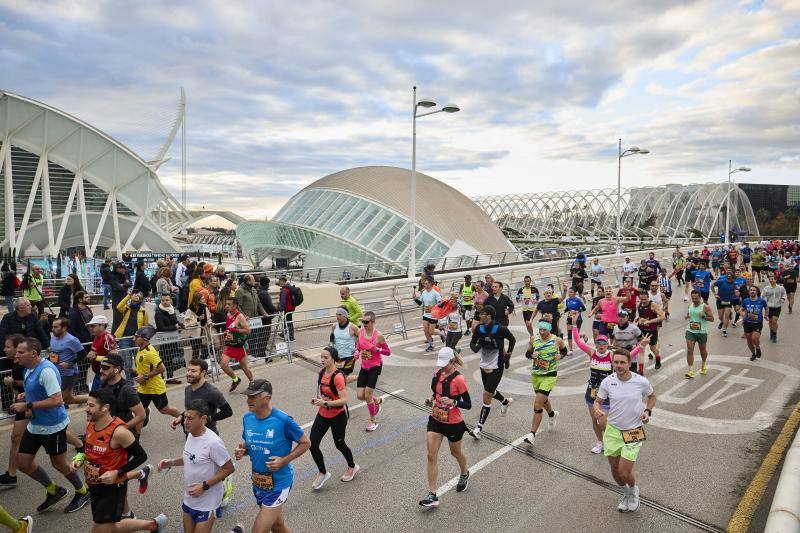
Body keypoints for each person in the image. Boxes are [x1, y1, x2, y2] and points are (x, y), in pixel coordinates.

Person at [9, 337, 91, 513]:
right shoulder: (28, 368)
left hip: (52, 426)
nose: (17, 355)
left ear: (34, 353)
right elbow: (37, 388)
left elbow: (57, 400)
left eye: (21, 352)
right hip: (36, 425)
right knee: (22, 463)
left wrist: (28, 405)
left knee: (59, 464)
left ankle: (83, 491)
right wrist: (26, 395)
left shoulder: (46, 371)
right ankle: (54, 490)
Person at [74, 388, 167, 532]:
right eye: (87, 404)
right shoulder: (91, 424)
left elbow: (141, 456)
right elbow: (90, 449)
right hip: (94, 485)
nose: (86, 409)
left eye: (91, 406)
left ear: (105, 408)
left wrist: (118, 472)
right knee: (111, 527)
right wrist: (80, 459)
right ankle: (153, 525)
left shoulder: (119, 432)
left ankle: (154, 524)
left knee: (99, 530)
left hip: (112, 489)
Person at [235, 379, 310, 533]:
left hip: (279, 483)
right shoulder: (247, 418)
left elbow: (305, 443)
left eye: (253, 396)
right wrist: (244, 450)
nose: (248, 400)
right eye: (247, 396)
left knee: (259, 530)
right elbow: (250, 444)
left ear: (267, 398)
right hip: (259, 482)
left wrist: (284, 460)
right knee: (277, 525)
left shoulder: (283, 420)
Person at [593, 346, 656, 513]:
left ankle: (634, 491)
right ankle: (626, 492)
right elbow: (597, 401)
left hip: (633, 431)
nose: (618, 365)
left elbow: (652, 396)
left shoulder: (640, 381)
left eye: (622, 362)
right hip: (613, 430)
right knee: (615, 471)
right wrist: (597, 409)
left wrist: (647, 411)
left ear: (629, 363)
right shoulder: (608, 381)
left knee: (624, 470)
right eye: (616, 362)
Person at [158, 400, 234, 533]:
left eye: (190, 418)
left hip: (208, 502)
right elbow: (191, 458)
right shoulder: (191, 434)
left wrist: (203, 486)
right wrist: (170, 462)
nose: (185, 421)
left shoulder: (213, 442)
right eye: (185, 417)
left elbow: (229, 468)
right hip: (190, 499)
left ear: (203, 419)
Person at [419, 347, 471, 508]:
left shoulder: (459, 379)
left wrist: (454, 402)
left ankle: (464, 473)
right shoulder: (438, 373)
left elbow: (468, 404)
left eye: (445, 364)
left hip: (453, 423)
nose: (442, 366)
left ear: (452, 361)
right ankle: (432, 494)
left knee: (455, 452)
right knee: (430, 455)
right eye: (440, 364)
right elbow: (437, 393)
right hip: (436, 419)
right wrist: (430, 399)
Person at [571, 321, 633, 454]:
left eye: (603, 343)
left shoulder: (611, 356)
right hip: (592, 393)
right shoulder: (592, 353)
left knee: (604, 422)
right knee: (594, 420)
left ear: (607, 344)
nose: (601, 345)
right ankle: (600, 442)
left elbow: (629, 357)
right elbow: (577, 340)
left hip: (608, 395)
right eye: (598, 343)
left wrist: (641, 346)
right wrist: (574, 324)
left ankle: (618, 440)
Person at [309, 346, 359, 490]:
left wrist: (325, 402)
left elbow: (344, 400)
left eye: (326, 357)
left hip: (337, 416)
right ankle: (323, 472)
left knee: (339, 444)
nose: (322, 360)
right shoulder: (321, 373)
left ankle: (352, 466)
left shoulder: (337, 377)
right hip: (323, 414)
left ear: (334, 359)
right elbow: (324, 394)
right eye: (321, 357)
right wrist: (318, 400)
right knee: (312, 444)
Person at [467, 306, 515, 439]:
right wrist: (476, 347)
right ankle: (505, 402)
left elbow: (512, 340)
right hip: (484, 366)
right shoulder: (479, 328)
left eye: (482, 314)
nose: (479, 315)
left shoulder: (500, 329)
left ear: (488, 316)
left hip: (497, 367)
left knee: (487, 394)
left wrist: (507, 356)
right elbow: (472, 343)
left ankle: (478, 429)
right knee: (491, 391)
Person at [523, 320, 568, 445]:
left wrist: (561, 356)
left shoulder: (557, 340)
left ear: (550, 330)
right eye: (540, 330)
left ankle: (532, 434)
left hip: (549, 375)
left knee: (538, 403)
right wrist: (532, 356)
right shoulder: (533, 339)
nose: (542, 332)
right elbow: (527, 353)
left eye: (545, 330)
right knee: (542, 400)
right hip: (536, 375)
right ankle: (552, 414)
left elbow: (564, 351)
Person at [132, 326, 181, 424]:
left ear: (144, 338)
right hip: (144, 388)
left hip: (155, 388)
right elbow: (146, 366)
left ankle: (183, 418)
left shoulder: (150, 352)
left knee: (164, 410)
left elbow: (162, 368)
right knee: (138, 409)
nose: (134, 339)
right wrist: (135, 372)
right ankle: (136, 436)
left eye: (136, 336)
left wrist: (145, 376)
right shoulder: (140, 349)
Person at [356, 311, 391, 432]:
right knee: (360, 395)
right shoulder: (361, 331)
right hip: (364, 366)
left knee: (367, 395)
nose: (363, 324)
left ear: (373, 322)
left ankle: (373, 421)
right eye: (362, 321)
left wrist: (377, 349)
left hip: (375, 366)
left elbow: (388, 352)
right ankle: (377, 401)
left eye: (366, 322)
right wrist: (356, 352)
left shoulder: (378, 336)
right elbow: (358, 346)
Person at [0, 334, 26, 488]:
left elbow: (32, 381)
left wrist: (13, 382)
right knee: (16, 438)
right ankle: (11, 474)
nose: (5, 349)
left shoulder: (25, 364)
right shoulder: (15, 363)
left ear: (18, 348)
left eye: (8, 346)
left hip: (34, 404)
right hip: (24, 404)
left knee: (56, 432)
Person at [221, 298, 253, 392]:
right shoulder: (228, 314)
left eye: (229, 304)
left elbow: (248, 330)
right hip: (229, 345)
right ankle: (236, 379)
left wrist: (235, 330)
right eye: (226, 304)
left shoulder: (240, 316)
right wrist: (226, 333)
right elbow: (229, 328)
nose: (226, 306)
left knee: (244, 367)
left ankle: (252, 382)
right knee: (223, 365)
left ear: (235, 306)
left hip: (238, 346)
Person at [685, 290, 715, 377]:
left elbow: (712, 319)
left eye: (696, 298)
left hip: (702, 332)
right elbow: (689, 313)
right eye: (693, 298)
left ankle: (703, 365)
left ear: (700, 297)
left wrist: (704, 316)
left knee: (702, 351)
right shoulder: (690, 305)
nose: (694, 300)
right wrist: (687, 316)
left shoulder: (705, 307)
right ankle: (690, 371)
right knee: (690, 350)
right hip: (690, 331)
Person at [68, 290, 93, 394]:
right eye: (86, 297)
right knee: (80, 366)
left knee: (85, 366)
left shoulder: (88, 309)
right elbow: (71, 329)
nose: (89, 298)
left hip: (89, 343)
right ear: (80, 299)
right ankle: (78, 388)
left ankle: (83, 385)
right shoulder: (74, 312)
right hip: (81, 344)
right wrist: (81, 339)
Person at [86, 315, 118, 392]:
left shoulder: (108, 338)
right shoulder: (96, 337)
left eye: (93, 326)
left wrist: (95, 357)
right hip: (99, 374)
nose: (90, 328)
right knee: (94, 398)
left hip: (105, 376)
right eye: (89, 326)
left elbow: (114, 358)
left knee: (100, 399)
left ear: (102, 326)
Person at [635, 292, 665, 373]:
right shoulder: (639, 304)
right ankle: (640, 370)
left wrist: (649, 321)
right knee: (640, 349)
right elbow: (642, 315)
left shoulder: (653, 305)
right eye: (641, 299)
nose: (643, 301)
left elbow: (662, 317)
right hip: (641, 329)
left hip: (651, 330)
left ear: (648, 297)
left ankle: (658, 358)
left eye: (645, 299)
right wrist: (638, 319)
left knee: (652, 348)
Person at [330, 307, 359, 383]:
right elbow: (332, 335)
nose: (337, 316)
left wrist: (357, 349)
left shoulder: (353, 327)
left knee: (341, 380)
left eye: (340, 314)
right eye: (336, 314)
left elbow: (361, 338)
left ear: (345, 316)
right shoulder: (334, 326)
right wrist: (331, 344)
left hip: (349, 357)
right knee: (338, 380)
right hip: (338, 357)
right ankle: (360, 377)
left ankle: (359, 377)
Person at [413, 278, 442, 352]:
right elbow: (420, 303)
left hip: (434, 315)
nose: (424, 285)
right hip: (426, 314)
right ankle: (431, 345)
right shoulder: (424, 292)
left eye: (426, 283)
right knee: (426, 330)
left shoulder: (435, 293)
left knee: (431, 331)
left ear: (431, 284)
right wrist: (415, 299)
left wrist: (433, 307)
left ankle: (442, 333)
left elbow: (441, 303)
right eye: (424, 283)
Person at [741, 286, 768, 362]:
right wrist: (743, 315)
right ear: (749, 292)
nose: (752, 291)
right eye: (751, 290)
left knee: (754, 338)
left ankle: (758, 347)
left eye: (754, 290)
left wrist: (766, 315)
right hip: (747, 323)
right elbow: (741, 309)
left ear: (757, 292)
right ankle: (753, 353)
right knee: (749, 340)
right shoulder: (745, 301)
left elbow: (766, 308)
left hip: (757, 323)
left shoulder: (761, 300)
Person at [762, 273, 787, 343]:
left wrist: (783, 299)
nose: (771, 280)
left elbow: (784, 294)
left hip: (777, 306)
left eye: (772, 279)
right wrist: (764, 302)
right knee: (770, 321)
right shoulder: (766, 288)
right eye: (770, 279)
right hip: (769, 307)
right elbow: (762, 296)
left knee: (774, 321)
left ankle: (775, 334)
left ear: (775, 280)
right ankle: (771, 332)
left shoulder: (780, 288)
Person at [713, 270, 737, 337]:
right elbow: (712, 285)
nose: (734, 281)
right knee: (720, 317)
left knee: (726, 315)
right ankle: (722, 321)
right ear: (730, 278)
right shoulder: (721, 281)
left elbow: (735, 291)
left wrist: (736, 293)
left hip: (729, 301)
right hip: (720, 301)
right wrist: (715, 294)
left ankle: (724, 330)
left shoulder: (734, 284)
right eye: (733, 279)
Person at [564, 286, 586, 354]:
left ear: (575, 293)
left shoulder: (578, 300)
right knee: (569, 333)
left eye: (571, 292)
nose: (569, 293)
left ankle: (583, 335)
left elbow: (583, 308)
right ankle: (570, 350)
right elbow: (568, 308)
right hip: (570, 318)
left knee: (576, 335)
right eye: (569, 292)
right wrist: (563, 312)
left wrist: (576, 311)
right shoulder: (567, 300)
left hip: (578, 319)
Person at [110, 263, 131, 332]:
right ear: (117, 269)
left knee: (125, 318)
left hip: (125, 299)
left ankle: (122, 334)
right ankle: (113, 336)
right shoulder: (113, 276)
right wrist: (125, 285)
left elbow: (129, 283)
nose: (123, 270)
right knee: (117, 320)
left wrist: (124, 285)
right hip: (117, 300)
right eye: (121, 268)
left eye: (124, 268)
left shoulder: (125, 274)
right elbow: (118, 288)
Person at [276, 276, 296, 342]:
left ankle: (291, 337)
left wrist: (280, 309)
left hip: (288, 308)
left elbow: (283, 301)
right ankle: (284, 334)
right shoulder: (289, 287)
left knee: (288, 322)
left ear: (282, 281)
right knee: (287, 321)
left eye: (279, 281)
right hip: (291, 307)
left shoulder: (284, 290)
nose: (279, 283)